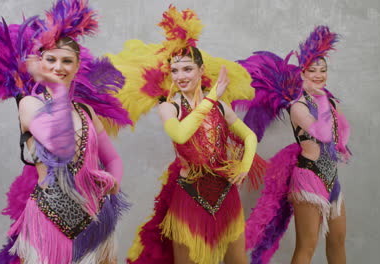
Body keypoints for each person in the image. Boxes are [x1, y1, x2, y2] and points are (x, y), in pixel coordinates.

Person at [0, 1, 131, 263]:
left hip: (95, 220)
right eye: (51, 60)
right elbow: (60, 145)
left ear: (77, 66)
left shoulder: (86, 112)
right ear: (39, 63)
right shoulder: (30, 105)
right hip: (51, 220)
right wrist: (57, 89)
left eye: (66, 61)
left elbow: (113, 158)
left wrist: (113, 182)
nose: (59, 67)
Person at [107, 6, 263, 264]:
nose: (180, 76)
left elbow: (250, 137)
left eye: (187, 69)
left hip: (227, 197)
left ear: (201, 71)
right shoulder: (169, 107)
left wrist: (244, 167)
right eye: (175, 71)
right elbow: (181, 135)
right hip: (190, 197)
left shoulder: (221, 107)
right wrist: (213, 95)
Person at [238, 26, 351, 264]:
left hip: (332, 178)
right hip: (309, 177)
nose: (319, 75)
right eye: (312, 70)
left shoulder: (329, 99)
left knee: (337, 240)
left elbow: (341, 132)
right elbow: (322, 132)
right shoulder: (297, 105)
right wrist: (320, 100)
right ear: (302, 73)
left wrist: (343, 143)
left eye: (323, 70)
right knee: (306, 247)